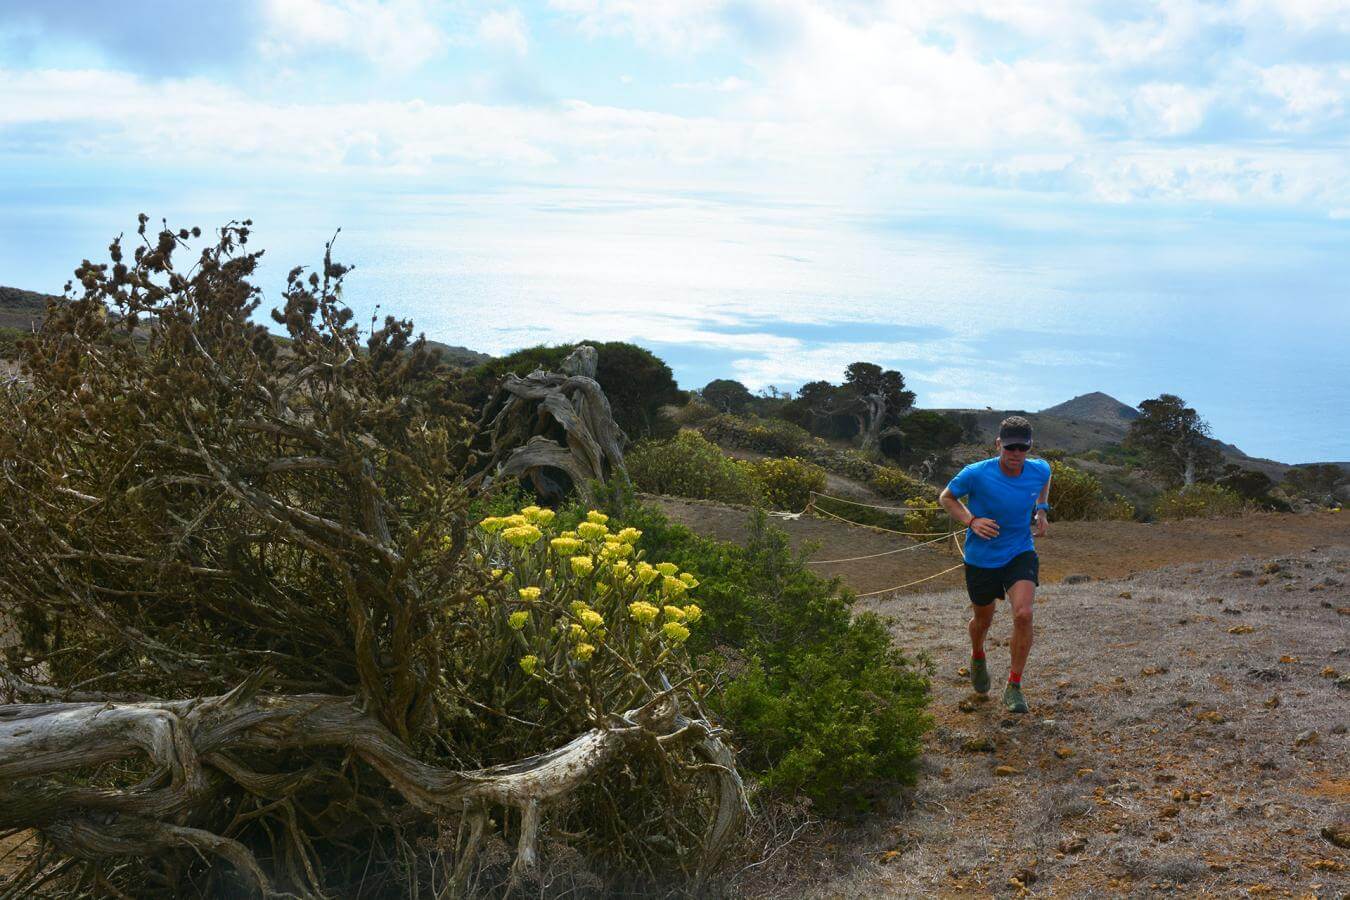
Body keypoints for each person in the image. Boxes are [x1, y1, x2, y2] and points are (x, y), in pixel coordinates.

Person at [938, 416, 1052, 713]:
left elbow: (1045, 478)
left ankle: (1014, 686)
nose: (1016, 454)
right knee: (983, 621)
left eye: (1023, 448)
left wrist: (1041, 509)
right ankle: (978, 655)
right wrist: (971, 521)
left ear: (1030, 447)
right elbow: (947, 497)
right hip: (982, 557)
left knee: (1024, 614)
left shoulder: (1039, 469)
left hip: (1019, 550)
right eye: (1010, 447)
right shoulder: (976, 473)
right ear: (998, 444)